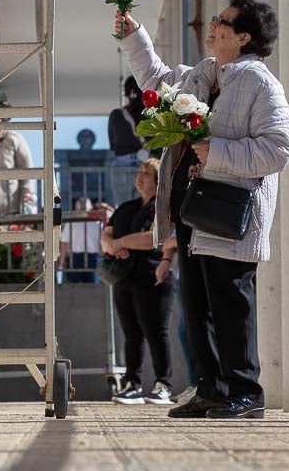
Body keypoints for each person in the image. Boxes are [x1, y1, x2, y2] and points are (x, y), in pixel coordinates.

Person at [115, 0, 289, 421]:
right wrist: (134, 37)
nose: (213, 25)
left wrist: (217, 152)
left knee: (232, 303)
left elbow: (279, 148)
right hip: (192, 210)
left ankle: (246, 392)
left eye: (223, 21)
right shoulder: (204, 73)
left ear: (244, 37)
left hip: (229, 213)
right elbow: (156, 80)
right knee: (198, 306)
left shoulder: (260, 83)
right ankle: (212, 390)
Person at [101, 159, 175, 406]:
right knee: (131, 333)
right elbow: (106, 235)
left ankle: (163, 384)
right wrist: (111, 245)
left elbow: (152, 239)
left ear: (158, 180)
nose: (140, 176)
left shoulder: (161, 206)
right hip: (124, 276)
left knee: (156, 332)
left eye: (147, 173)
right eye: (140, 172)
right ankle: (133, 383)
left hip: (153, 274)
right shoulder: (127, 207)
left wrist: (120, 243)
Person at [105, 77, 148, 205]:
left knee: (125, 207)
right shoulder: (150, 116)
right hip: (147, 165)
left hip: (122, 164)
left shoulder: (116, 115)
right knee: (146, 207)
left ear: (126, 92)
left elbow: (113, 145)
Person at [59, 197, 103, 283]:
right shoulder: (97, 223)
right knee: (93, 287)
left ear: (76, 208)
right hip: (93, 258)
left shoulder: (71, 223)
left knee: (74, 286)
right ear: (91, 208)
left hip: (75, 258)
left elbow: (65, 242)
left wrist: (62, 260)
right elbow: (102, 242)